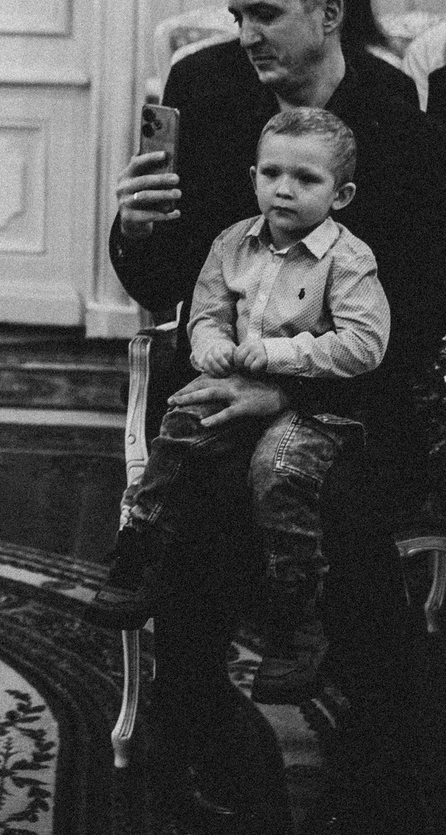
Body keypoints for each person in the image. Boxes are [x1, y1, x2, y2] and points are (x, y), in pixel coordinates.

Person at [111, 0, 446, 821]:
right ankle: (195, 734)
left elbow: (418, 306)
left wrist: (285, 390)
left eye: (263, 15)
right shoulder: (203, 87)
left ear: (328, 14)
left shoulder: (393, 116)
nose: (245, 34)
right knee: (207, 485)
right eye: (237, 15)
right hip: (220, 373)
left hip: (355, 390)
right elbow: (163, 283)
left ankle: (382, 750)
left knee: (340, 498)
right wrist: (133, 229)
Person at [87, 106, 387, 699]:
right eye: (272, 173)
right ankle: (141, 553)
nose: (284, 189)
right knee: (180, 426)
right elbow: (207, 311)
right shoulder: (233, 243)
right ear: (253, 177)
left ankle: (295, 616)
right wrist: (212, 346)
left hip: (311, 404)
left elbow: (364, 343)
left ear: (342, 195)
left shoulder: (349, 260)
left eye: (306, 179)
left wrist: (278, 355)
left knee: (277, 470)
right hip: (237, 381)